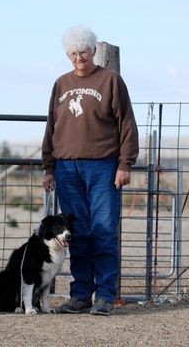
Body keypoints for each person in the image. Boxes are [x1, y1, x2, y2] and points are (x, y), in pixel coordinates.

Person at [42, 26, 139, 316]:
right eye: (73, 53)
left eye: (83, 52)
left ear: (93, 51)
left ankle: (106, 295)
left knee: (104, 231)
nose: (79, 58)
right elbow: (52, 126)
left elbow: (126, 124)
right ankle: (81, 293)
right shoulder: (61, 84)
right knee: (77, 233)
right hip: (67, 168)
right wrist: (49, 166)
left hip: (103, 167)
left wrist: (125, 163)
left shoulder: (111, 81)